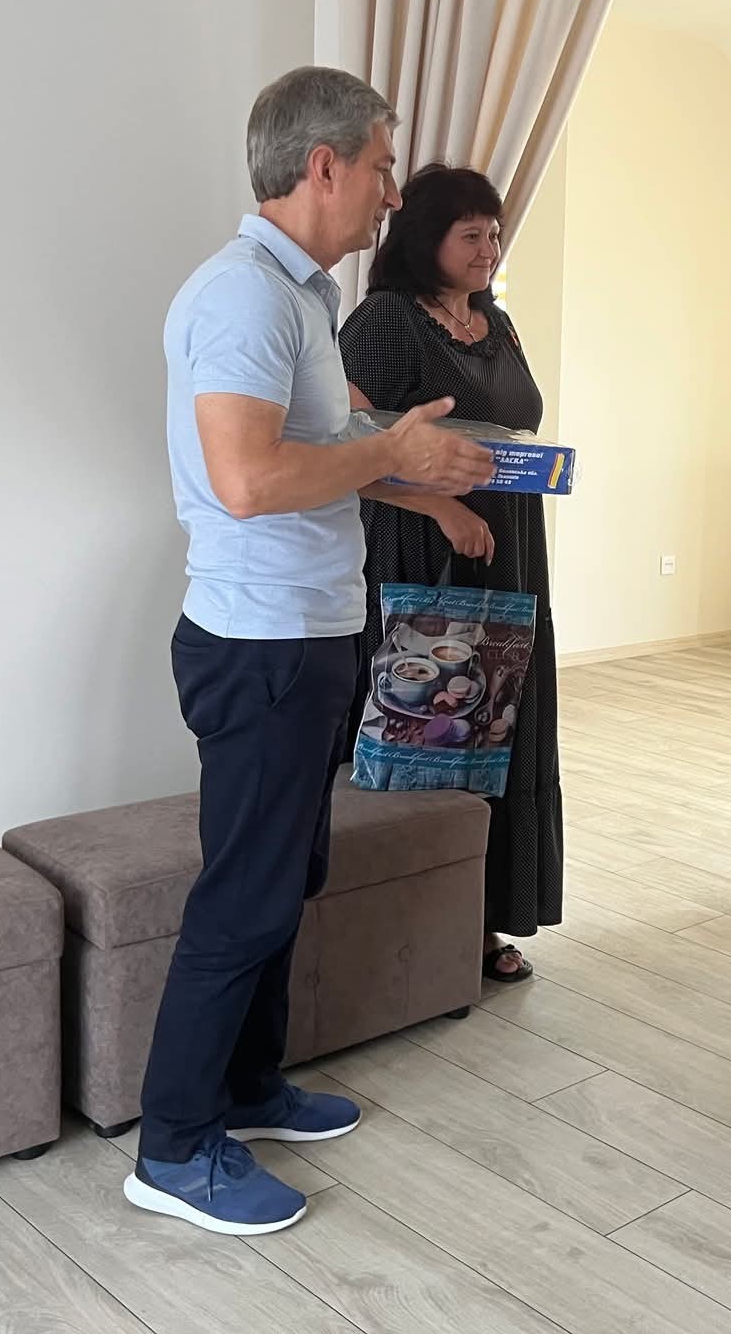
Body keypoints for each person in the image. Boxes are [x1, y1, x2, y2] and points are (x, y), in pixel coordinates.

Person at [132, 67, 494, 1236]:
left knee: (286, 880)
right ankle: (173, 1148)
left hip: (309, 633)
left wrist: (425, 487)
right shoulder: (241, 297)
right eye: (382, 167)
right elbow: (247, 480)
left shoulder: (295, 297)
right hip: (260, 645)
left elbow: (321, 449)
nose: (391, 194)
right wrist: (392, 451)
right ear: (323, 164)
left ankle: (245, 1090)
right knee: (242, 898)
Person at [339, 164, 562, 981]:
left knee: (500, 728)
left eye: (494, 233)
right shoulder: (386, 319)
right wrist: (441, 507)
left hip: (510, 546)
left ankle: (484, 921)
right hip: (421, 547)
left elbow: (509, 426)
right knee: (428, 726)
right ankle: (407, 934)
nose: (488, 248)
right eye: (470, 234)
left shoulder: (494, 321)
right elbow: (346, 446)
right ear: (425, 239)